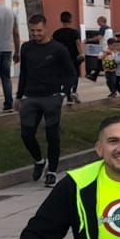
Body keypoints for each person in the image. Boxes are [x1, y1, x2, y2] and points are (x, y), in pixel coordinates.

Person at [16, 14, 76, 188]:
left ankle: (52, 172)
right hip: (30, 96)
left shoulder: (58, 49)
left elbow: (71, 73)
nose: (36, 34)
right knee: (26, 134)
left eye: (39, 31)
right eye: (32, 31)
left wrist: (64, 93)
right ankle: (39, 160)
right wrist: (19, 96)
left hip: (52, 97)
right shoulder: (26, 48)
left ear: (46, 28)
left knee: (52, 135)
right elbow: (24, 73)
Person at [51, 11, 83, 103]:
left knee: (64, 76)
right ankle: (74, 91)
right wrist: (81, 53)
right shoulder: (74, 32)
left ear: (61, 20)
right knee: (74, 74)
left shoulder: (56, 33)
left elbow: (53, 45)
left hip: (60, 57)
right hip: (73, 57)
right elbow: (77, 43)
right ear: (71, 20)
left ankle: (68, 96)